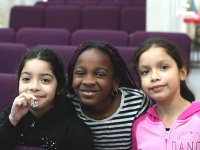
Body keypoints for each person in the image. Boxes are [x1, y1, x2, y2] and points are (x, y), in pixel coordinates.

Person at [0, 48, 94, 150]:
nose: (34, 87)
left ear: (60, 87)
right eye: (26, 79)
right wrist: (12, 120)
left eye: (45, 80)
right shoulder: (9, 115)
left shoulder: (75, 129)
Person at [67, 40, 151, 150]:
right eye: (80, 73)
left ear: (115, 82)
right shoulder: (68, 106)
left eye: (100, 74)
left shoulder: (137, 103)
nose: (88, 81)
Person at [132, 37, 200, 150]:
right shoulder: (139, 126)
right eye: (145, 72)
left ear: (182, 73)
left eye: (164, 67)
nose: (154, 77)